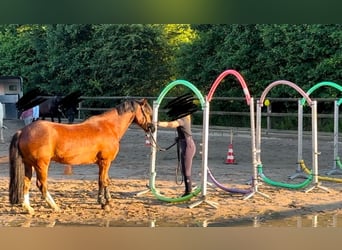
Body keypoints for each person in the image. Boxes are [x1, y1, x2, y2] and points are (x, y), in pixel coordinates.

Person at [158, 114, 196, 197]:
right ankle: (188, 189)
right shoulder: (184, 117)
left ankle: (188, 191)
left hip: (187, 146)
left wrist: (159, 123)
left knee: (186, 170)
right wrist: (179, 138)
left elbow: (171, 124)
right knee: (184, 168)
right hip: (186, 144)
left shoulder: (183, 119)